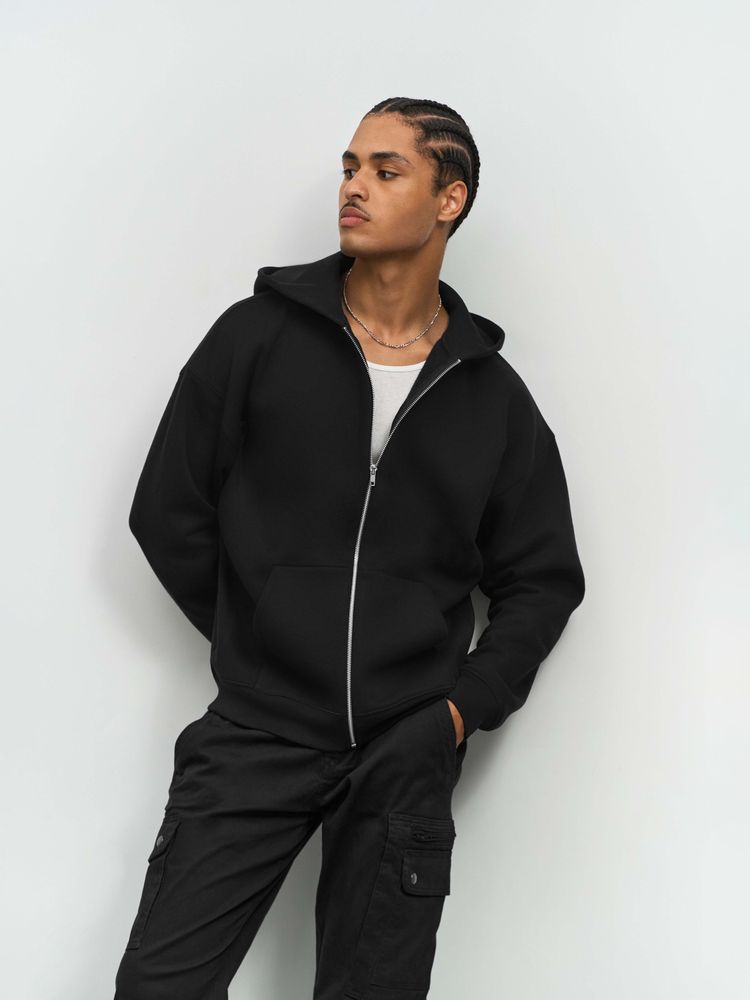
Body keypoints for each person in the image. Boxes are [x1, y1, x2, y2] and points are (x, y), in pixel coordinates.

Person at [114, 96, 585, 1000]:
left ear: (449, 199)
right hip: (256, 733)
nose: (353, 187)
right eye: (349, 167)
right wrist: (265, 637)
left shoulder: (491, 397)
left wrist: (454, 715)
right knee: (159, 986)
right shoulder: (255, 339)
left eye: (385, 169)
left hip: (404, 748)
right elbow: (167, 511)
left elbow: (543, 580)